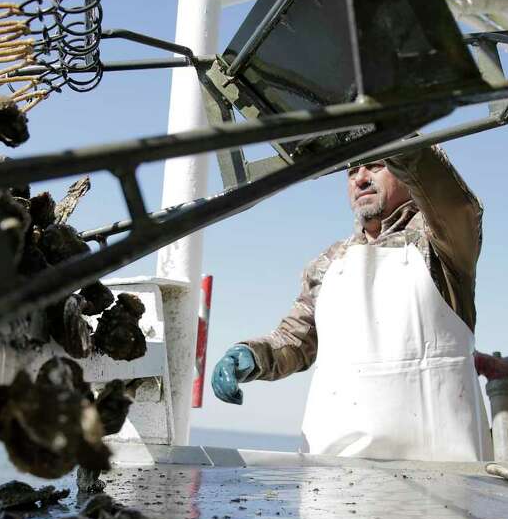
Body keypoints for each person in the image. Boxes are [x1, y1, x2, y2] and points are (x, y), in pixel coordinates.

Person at [210, 146, 491, 462]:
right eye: (351, 171)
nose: (360, 178)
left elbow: (451, 200)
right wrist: (252, 354)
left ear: (405, 171)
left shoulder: (443, 243)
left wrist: (398, 137)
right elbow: (294, 340)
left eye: (375, 165)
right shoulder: (329, 262)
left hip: (439, 471)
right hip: (335, 470)